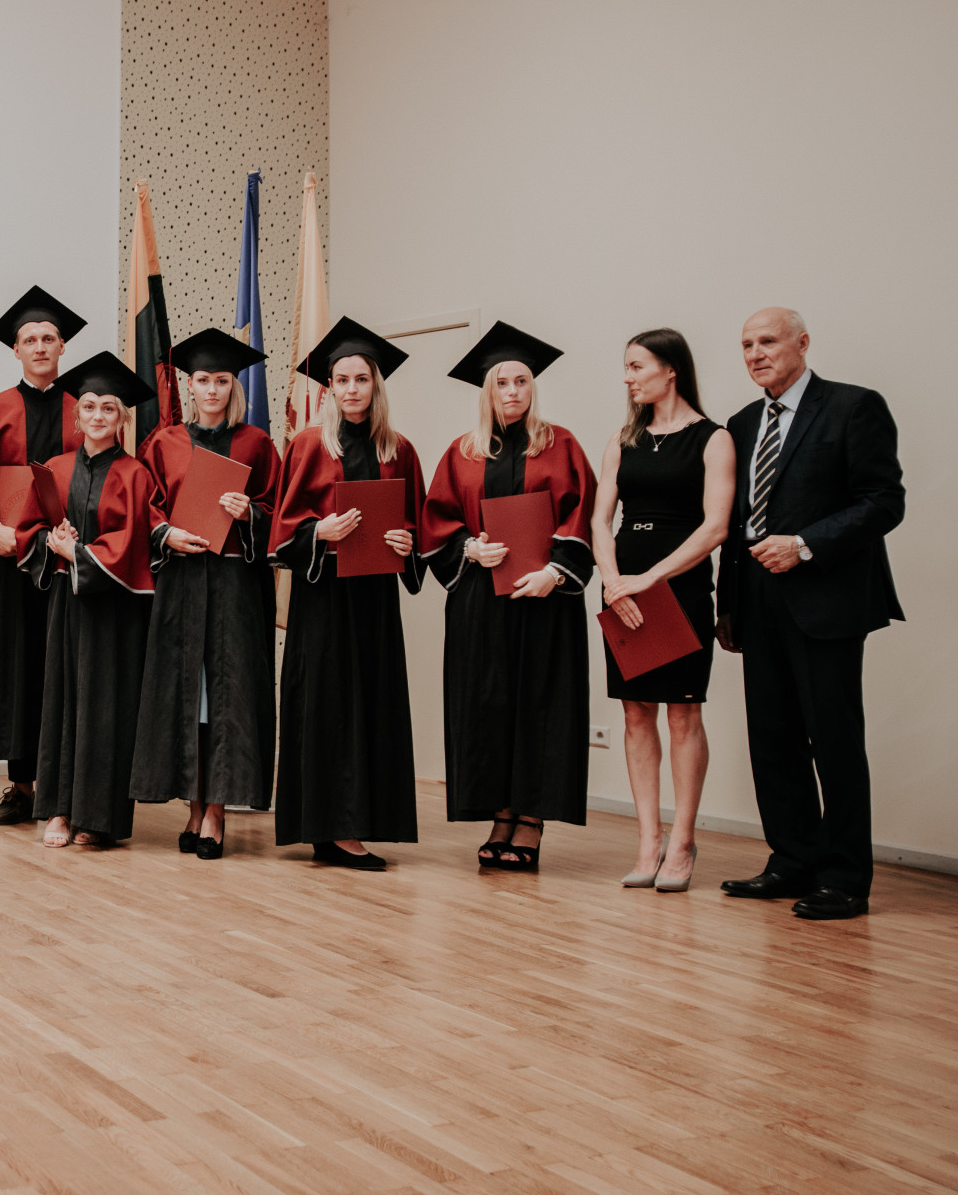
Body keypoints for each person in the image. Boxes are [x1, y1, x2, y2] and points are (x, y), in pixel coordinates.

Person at [716, 308, 903, 921]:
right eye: (747, 344)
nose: (755, 353)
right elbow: (736, 520)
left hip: (825, 598)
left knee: (835, 742)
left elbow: (884, 501)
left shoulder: (853, 406)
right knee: (773, 740)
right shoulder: (742, 423)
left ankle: (845, 878)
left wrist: (804, 544)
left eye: (768, 341)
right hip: (756, 599)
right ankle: (791, 861)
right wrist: (727, 604)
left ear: (802, 342)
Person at [419, 322, 596, 872]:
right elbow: (437, 521)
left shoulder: (561, 445)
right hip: (481, 603)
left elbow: (583, 514)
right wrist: (470, 548)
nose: (512, 391)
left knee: (541, 703)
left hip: (545, 601)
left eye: (521, 381)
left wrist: (556, 573)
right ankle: (501, 814)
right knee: (489, 704)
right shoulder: (463, 452)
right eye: (502, 382)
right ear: (487, 390)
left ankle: (532, 819)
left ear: (533, 386)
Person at [270, 318, 427, 870]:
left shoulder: (399, 450)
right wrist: (320, 531)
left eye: (362, 379)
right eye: (342, 379)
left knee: (372, 704)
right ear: (329, 387)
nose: (352, 388)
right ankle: (330, 829)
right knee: (326, 704)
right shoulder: (309, 445)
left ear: (375, 384)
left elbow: (419, 526)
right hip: (324, 599)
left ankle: (354, 824)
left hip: (375, 599)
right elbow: (284, 531)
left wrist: (406, 542)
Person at [590, 329, 734, 893]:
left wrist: (649, 579)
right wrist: (612, 582)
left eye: (636, 366)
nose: (627, 377)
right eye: (626, 367)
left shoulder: (714, 438)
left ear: (670, 369)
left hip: (680, 588)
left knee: (682, 715)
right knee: (635, 715)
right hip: (622, 590)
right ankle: (649, 841)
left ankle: (683, 841)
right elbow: (601, 520)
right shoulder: (622, 439)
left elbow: (716, 527)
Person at [128, 328, 280, 860]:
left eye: (221, 380)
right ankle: (193, 805)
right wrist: (166, 533)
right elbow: (145, 506)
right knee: (189, 696)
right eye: (202, 380)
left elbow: (279, 512)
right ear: (188, 386)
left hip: (236, 585)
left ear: (233, 385)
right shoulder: (164, 443)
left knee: (229, 694)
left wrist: (250, 513)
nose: (212, 389)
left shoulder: (256, 443)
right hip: (183, 581)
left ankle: (217, 811)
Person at [0, 286, 87, 825]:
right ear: (16, 350)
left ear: (63, 346)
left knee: (66, 667)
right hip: (7, 562)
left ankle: (67, 789)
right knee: (17, 669)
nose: (40, 347)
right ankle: (22, 787)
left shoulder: (85, 409)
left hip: (69, 561)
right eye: (30, 340)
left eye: (49, 338)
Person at [16, 352, 158, 849]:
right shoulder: (54, 469)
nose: (98, 416)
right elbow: (28, 529)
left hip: (115, 608)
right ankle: (58, 809)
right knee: (61, 699)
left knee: (108, 706)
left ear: (122, 418)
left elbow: (134, 541)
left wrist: (77, 552)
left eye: (109, 408)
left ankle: (99, 818)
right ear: (77, 415)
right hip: (68, 605)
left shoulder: (136, 474)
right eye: (90, 407)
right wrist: (51, 543)